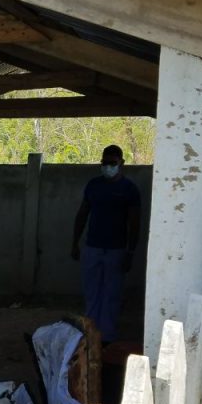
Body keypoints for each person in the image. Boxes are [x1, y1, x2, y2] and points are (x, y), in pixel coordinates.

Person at [71, 144, 140, 343]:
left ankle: (107, 337)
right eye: (104, 163)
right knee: (92, 293)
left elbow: (135, 223)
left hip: (116, 250)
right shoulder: (94, 185)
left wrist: (130, 252)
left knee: (111, 295)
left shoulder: (129, 189)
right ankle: (90, 335)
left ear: (121, 163)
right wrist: (74, 242)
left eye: (112, 163)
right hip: (92, 247)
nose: (108, 167)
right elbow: (82, 214)